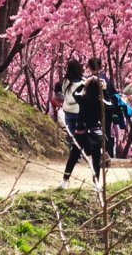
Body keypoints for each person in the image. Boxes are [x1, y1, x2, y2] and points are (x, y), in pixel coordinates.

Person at [58, 76, 105, 189]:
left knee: (73, 156)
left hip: (81, 132)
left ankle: (65, 180)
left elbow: (74, 93)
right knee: (96, 158)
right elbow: (109, 103)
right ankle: (96, 182)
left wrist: (83, 84)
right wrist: (104, 90)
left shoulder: (83, 100)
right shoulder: (100, 102)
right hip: (95, 132)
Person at [86, 56, 122, 158]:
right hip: (107, 110)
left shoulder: (88, 80)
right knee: (106, 132)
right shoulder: (107, 80)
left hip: (93, 111)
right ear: (101, 66)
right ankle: (107, 154)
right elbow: (114, 95)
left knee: (94, 132)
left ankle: (97, 154)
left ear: (89, 67)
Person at [56, 59, 83, 188]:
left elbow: (63, 95)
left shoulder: (65, 82)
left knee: (71, 135)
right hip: (78, 112)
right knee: (77, 136)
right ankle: (76, 153)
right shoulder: (83, 83)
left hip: (68, 111)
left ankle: (74, 152)